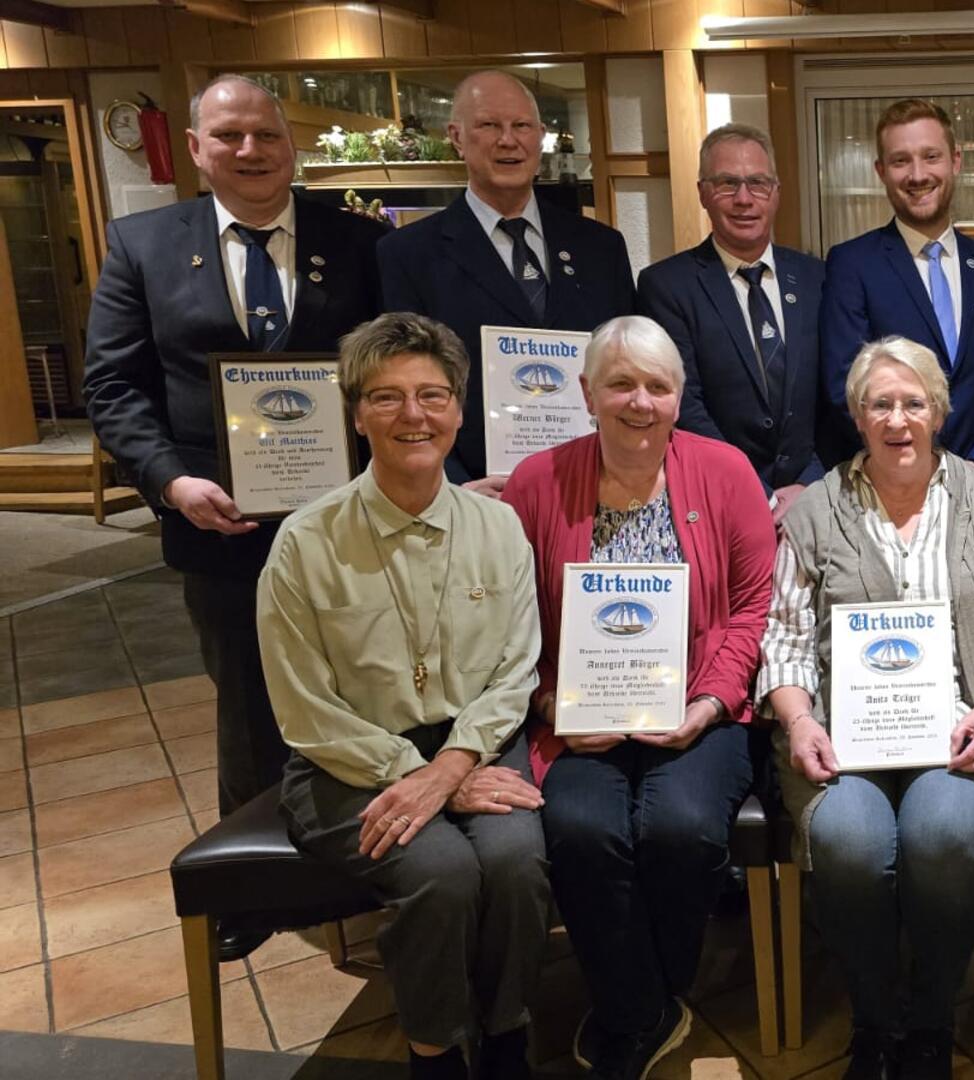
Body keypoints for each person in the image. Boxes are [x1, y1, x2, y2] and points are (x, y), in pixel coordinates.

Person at [81, 75, 387, 912]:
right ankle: (254, 891)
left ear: (291, 145)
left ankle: (363, 868)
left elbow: (396, 367)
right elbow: (112, 387)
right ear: (195, 148)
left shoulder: (359, 243)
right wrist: (171, 482)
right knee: (249, 699)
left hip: (350, 520)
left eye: (265, 135)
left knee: (362, 684)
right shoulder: (142, 243)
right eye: (228, 137)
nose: (249, 151)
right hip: (218, 523)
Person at [258, 312, 548, 1080]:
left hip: (474, 745)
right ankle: (437, 1053)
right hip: (343, 763)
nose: (413, 416)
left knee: (518, 863)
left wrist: (449, 768)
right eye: (386, 398)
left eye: (432, 395)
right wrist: (411, 775)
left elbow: (516, 669)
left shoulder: (499, 528)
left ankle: (509, 1036)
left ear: (458, 408)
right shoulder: (304, 542)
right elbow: (303, 708)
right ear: (356, 413)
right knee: (442, 874)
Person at [759, 336, 974, 1080]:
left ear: (939, 413)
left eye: (913, 403)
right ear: (857, 415)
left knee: (944, 833)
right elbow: (785, 642)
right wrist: (800, 723)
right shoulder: (815, 511)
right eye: (880, 404)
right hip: (840, 741)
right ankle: (872, 1017)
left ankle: (929, 1017)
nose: (898, 419)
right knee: (854, 842)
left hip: (961, 732)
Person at [501, 316, 775, 1080]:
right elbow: (504, 614)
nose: (639, 402)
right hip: (574, 717)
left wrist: (711, 703)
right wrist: (550, 702)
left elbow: (756, 604)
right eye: (620, 383)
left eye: (658, 386)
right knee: (582, 830)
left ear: (680, 398)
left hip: (698, 709)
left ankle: (643, 1000)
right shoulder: (535, 483)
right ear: (586, 393)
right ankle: (642, 1009)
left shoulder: (725, 472)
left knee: (681, 828)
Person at [379, 69, 636, 491]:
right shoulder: (408, 255)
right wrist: (452, 489)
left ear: (539, 137)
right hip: (473, 494)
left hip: (593, 483)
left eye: (521, 126)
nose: (508, 140)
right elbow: (400, 387)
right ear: (457, 137)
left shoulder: (601, 247)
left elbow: (625, 367)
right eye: (488, 125)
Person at [636, 123, 826, 518]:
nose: (744, 199)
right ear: (704, 193)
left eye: (758, 183)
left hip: (813, 496)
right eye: (727, 184)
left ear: (776, 194)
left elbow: (834, 388)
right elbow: (683, 403)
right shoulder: (667, 285)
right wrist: (757, 492)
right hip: (714, 499)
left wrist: (812, 481)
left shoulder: (817, 277)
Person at [819, 99, 974, 467]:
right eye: (901, 160)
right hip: (894, 478)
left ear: (955, 161)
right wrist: (919, 461)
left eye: (931, 156)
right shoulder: (852, 264)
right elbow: (847, 386)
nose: (918, 175)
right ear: (881, 171)